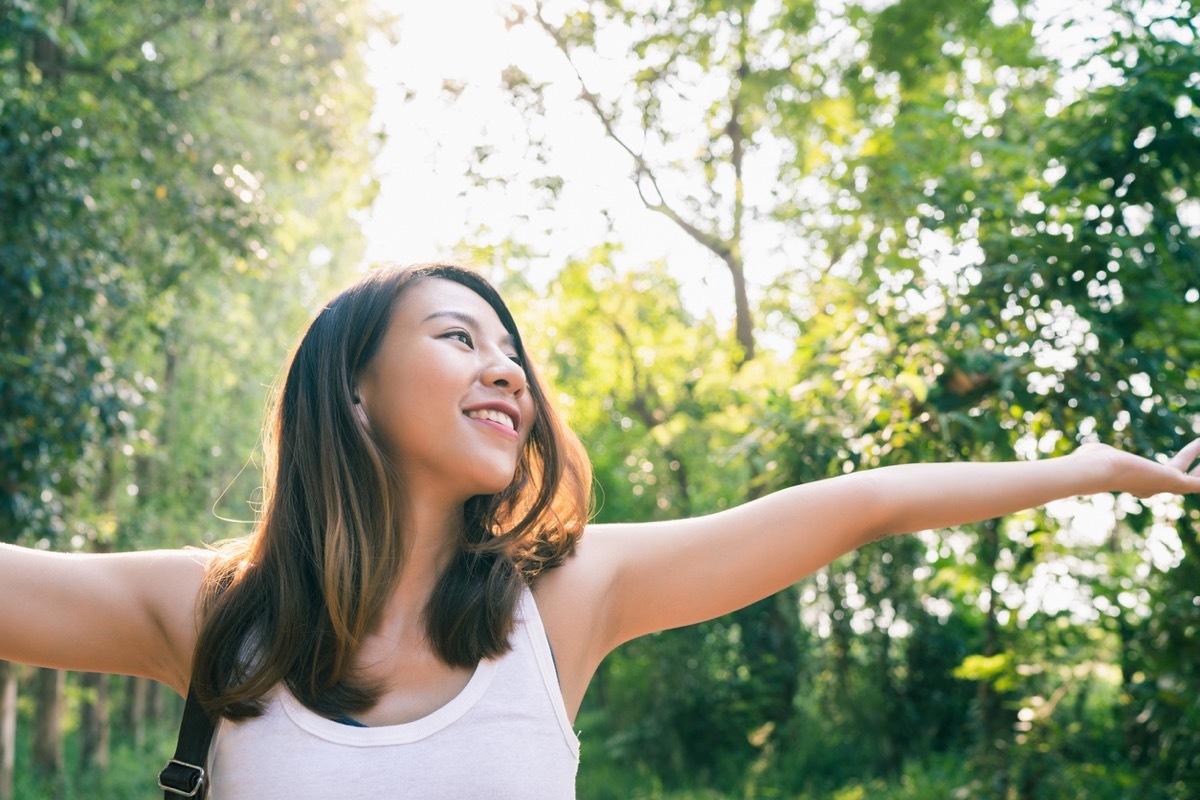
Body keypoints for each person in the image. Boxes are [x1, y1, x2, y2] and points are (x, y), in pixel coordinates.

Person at [1, 262, 1198, 798]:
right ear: (354, 390)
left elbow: (858, 506)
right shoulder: (219, 614)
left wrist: (1082, 471)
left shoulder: (562, 600)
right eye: (458, 336)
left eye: (510, 348)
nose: (504, 365)